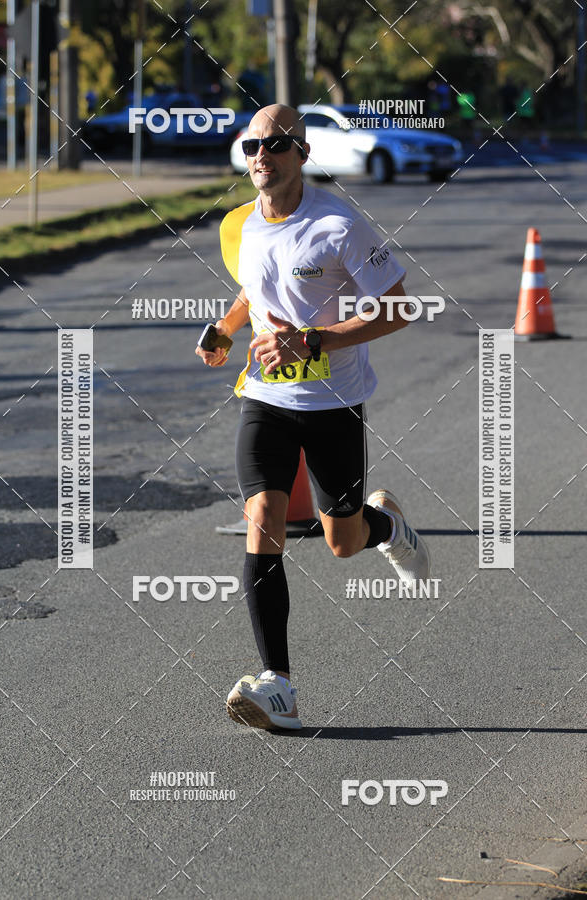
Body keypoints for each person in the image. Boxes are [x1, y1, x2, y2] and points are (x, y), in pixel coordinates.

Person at [196, 104, 431, 731]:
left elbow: (400, 310)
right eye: (251, 146)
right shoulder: (240, 224)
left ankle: (387, 527)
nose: (260, 157)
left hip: (332, 403)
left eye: (274, 145)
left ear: (301, 153)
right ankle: (279, 686)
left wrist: (315, 339)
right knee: (264, 518)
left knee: (341, 541)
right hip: (265, 399)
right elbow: (256, 285)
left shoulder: (339, 224)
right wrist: (225, 326)